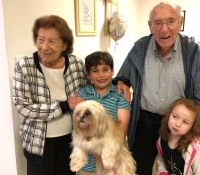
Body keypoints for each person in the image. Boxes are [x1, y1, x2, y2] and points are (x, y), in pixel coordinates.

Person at [116, 2, 200, 175]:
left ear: (180, 22)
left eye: (171, 21)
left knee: (181, 169)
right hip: (145, 123)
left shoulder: (194, 53)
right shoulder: (139, 49)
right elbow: (123, 77)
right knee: (139, 169)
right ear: (150, 26)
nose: (164, 29)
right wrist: (121, 81)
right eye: (157, 23)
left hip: (181, 126)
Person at [12, 15, 87, 175]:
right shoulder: (24, 67)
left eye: (52, 41)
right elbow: (23, 108)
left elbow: (89, 89)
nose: (44, 47)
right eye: (40, 40)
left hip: (70, 139)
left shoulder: (76, 64)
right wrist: (64, 105)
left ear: (64, 44)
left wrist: (120, 82)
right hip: (38, 143)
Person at [74, 51, 131, 175]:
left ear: (112, 71)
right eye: (95, 71)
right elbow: (80, 125)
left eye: (105, 69)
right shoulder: (83, 94)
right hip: (87, 165)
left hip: (112, 162)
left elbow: (122, 125)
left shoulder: (120, 93)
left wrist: (106, 150)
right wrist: (95, 149)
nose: (101, 75)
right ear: (88, 75)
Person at [155, 98, 200, 175]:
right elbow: (161, 158)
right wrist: (162, 171)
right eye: (175, 116)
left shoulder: (195, 149)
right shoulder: (163, 138)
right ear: (169, 115)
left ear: (192, 126)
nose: (177, 124)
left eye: (185, 122)